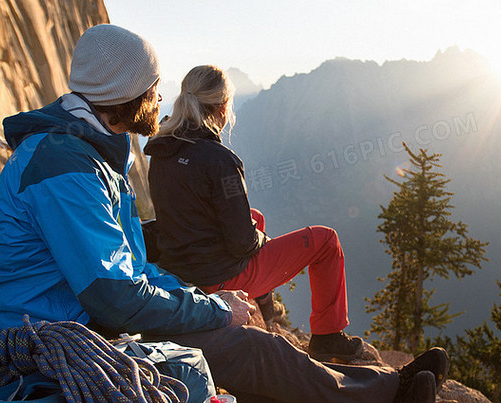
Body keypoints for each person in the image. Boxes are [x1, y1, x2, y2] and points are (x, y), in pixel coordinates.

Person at [0, 24, 447, 403]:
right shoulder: (67, 168)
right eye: (154, 89)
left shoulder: (89, 153)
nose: (159, 100)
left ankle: (374, 384)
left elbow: (130, 266)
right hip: (74, 333)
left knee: (247, 347)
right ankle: (389, 392)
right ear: (129, 96)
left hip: (85, 318)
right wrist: (213, 307)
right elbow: (115, 295)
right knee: (249, 348)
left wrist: (195, 298)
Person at [144, 65, 364, 362]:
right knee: (325, 241)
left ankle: (264, 307)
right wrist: (261, 238)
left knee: (254, 214)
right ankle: (328, 336)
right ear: (223, 107)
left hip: (181, 268)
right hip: (218, 277)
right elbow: (241, 243)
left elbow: (184, 214)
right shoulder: (221, 160)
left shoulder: (162, 151)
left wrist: (252, 229)